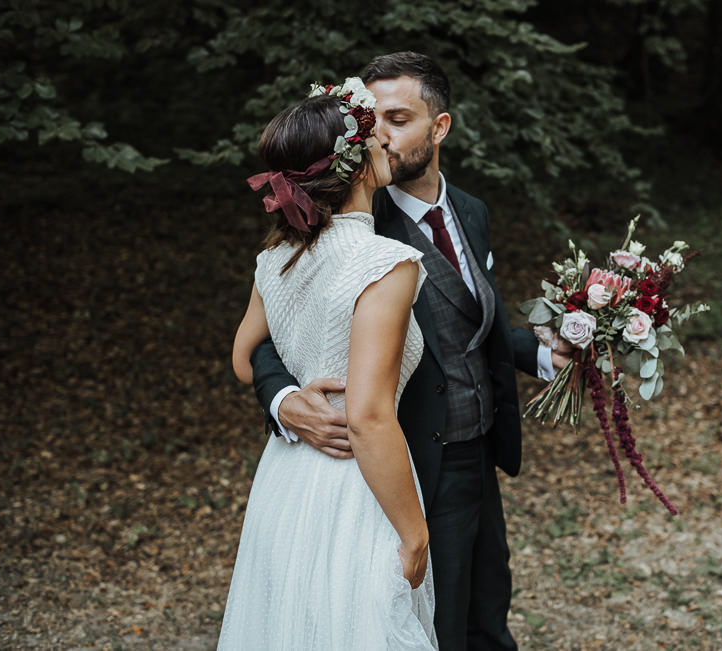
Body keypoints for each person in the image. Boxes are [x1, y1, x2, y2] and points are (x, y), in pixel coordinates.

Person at [248, 52, 569, 650]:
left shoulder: (471, 211)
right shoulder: (350, 223)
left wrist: (553, 356)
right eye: (371, 120)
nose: (378, 135)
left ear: (439, 128)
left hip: (480, 450)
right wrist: (283, 399)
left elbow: (474, 324)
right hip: (408, 459)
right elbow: (274, 328)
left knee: (486, 614)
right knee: (430, 625)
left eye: (397, 118)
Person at [218, 78, 438, 649]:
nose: (386, 147)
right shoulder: (386, 262)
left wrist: (287, 397)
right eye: (373, 141)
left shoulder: (277, 256)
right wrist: (414, 533)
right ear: (355, 165)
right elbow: (368, 416)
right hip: (356, 484)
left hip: (287, 477)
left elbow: (244, 360)